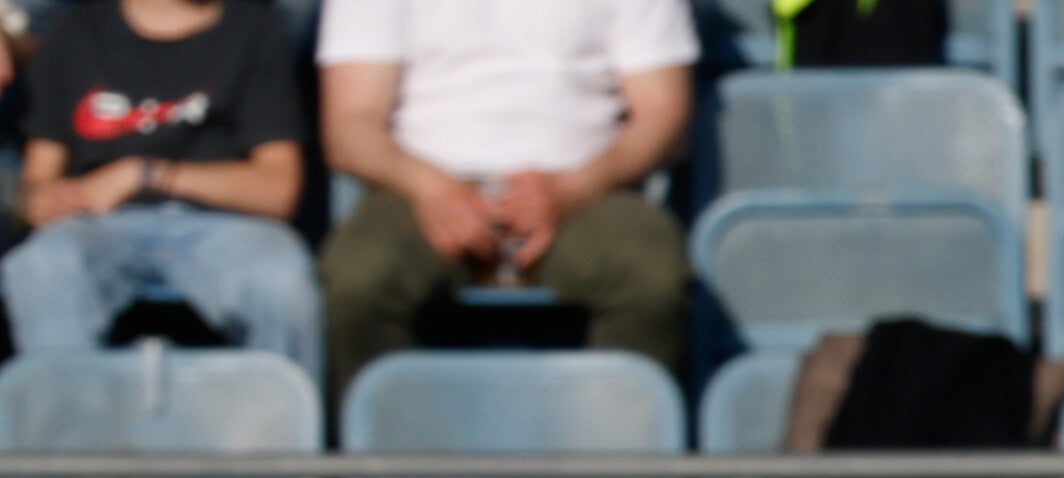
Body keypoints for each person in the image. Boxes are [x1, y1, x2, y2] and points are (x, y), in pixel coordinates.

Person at [317, 0, 695, 409]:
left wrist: (572, 188)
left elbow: (663, 114)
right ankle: (390, 446)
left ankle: (615, 444)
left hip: (587, 186)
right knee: (361, 277)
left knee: (651, 272)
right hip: (416, 185)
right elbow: (351, 126)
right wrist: (434, 190)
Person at [2, 0, 322, 385]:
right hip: (97, 225)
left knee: (282, 279)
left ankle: (276, 421)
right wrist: (44, 200)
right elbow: (38, 178)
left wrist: (143, 175)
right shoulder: (75, 30)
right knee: (41, 266)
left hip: (227, 225)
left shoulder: (255, 28)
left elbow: (278, 192)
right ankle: (71, 419)